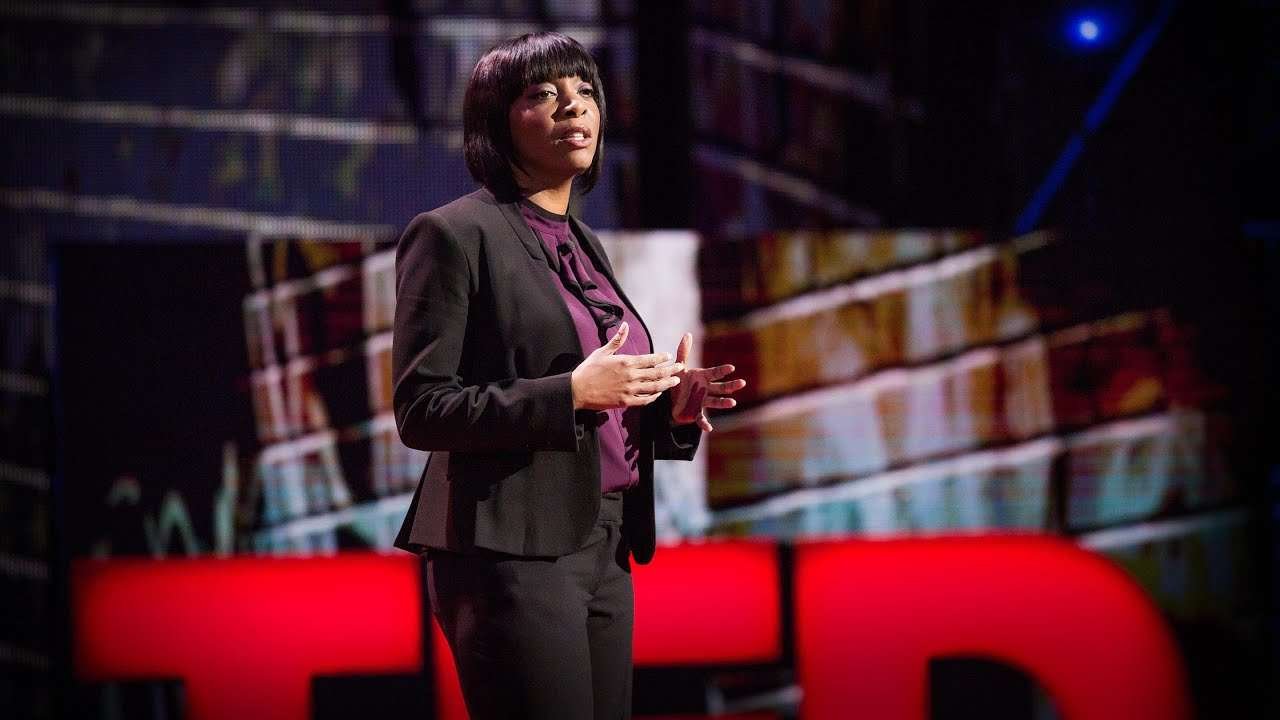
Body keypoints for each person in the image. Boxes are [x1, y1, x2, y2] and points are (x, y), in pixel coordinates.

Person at [390, 31, 746, 720]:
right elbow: (422, 407)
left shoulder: (582, 239)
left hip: (604, 540)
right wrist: (573, 393)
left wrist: (664, 409)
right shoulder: (453, 234)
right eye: (543, 94)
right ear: (497, 121)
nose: (573, 107)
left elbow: (599, 396)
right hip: (511, 549)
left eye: (584, 92)